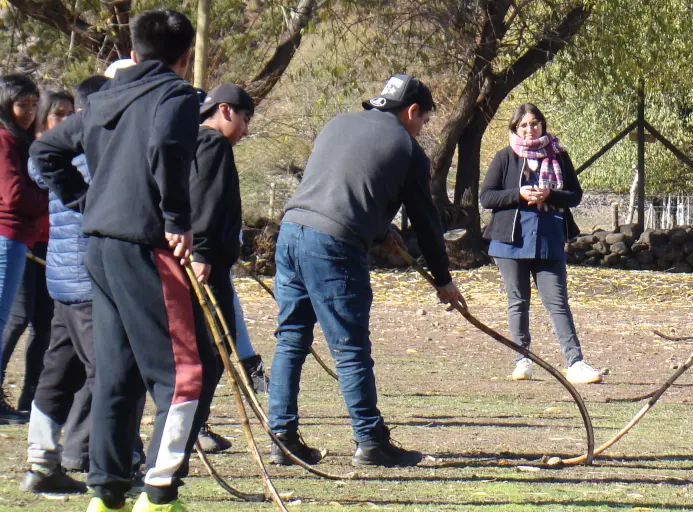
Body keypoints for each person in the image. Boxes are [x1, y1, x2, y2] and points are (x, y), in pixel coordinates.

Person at [32, 9, 216, 512]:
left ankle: (107, 494)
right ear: (185, 58)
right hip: (146, 246)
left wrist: (86, 201)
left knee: (117, 373)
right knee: (184, 374)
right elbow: (165, 146)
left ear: (133, 53)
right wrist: (177, 218)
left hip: (100, 247)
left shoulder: (105, 97)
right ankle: (158, 493)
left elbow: (45, 152)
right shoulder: (177, 96)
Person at [268, 73, 466, 468]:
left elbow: (341, 184)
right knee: (350, 346)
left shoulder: (338, 124)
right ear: (411, 111)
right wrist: (443, 280)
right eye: (423, 120)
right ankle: (370, 440)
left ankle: (282, 436)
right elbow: (426, 222)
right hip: (333, 246)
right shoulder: (407, 150)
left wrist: (379, 231)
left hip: (291, 231)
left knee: (291, 339)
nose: (421, 128)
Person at [20, 77, 105, 495]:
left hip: (62, 279)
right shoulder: (98, 149)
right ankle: (94, 455)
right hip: (92, 280)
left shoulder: (58, 152)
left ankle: (41, 460)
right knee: (105, 371)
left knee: (58, 371)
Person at [479, 103, 601, 385]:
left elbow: (574, 195)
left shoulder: (559, 156)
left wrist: (551, 194)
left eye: (534, 123)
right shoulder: (504, 158)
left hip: (548, 238)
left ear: (543, 125)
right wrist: (518, 194)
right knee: (518, 301)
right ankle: (522, 360)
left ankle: (575, 363)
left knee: (557, 303)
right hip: (510, 242)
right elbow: (487, 197)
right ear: (514, 129)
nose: (529, 129)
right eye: (523, 125)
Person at [187, 83, 256, 456]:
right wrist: (204, 252)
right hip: (205, 269)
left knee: (215, 350)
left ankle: (193, 426)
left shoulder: (197, 143)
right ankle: (190, 428)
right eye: (244, 119)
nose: (245, 130)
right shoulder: (212, 144)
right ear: (226, 110)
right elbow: (205, 202)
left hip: (213, 262)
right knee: (213, 353)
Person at [0, 89, 70, 422]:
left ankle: (32, 397)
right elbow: (15, 194)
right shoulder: (28, 145)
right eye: (58, 113)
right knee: (16, 317)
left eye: (70, 113)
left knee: (44, 321)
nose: (65, 120)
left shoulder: (55, 145)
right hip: (22, 240)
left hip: (49, 242)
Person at [0, 74, 43, 425]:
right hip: (7, 233)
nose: (28, 112)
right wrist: (51, 199)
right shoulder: (4, 139)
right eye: (22, 105)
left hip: (19, 236)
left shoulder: (21, 139)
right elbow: (13, 195)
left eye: (33, 105)